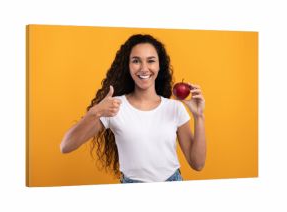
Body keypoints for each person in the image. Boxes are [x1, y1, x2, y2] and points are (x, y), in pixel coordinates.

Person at [60, 34, 206, 183]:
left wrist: (199, 116)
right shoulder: (114, 107)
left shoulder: (175, 108)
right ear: (128, 66)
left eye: (151, 61)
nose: (144, 68)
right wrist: (95, 111)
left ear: (159, 65)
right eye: (136, 61)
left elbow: (198, 164)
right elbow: (66, 146)